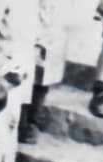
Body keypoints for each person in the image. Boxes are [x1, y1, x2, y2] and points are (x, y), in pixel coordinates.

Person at [18, 0, 70, 144]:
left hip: (55, 24)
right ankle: (21, 120)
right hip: (29, 23)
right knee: (25, 74)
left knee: (44, 77)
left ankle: (33, 119)